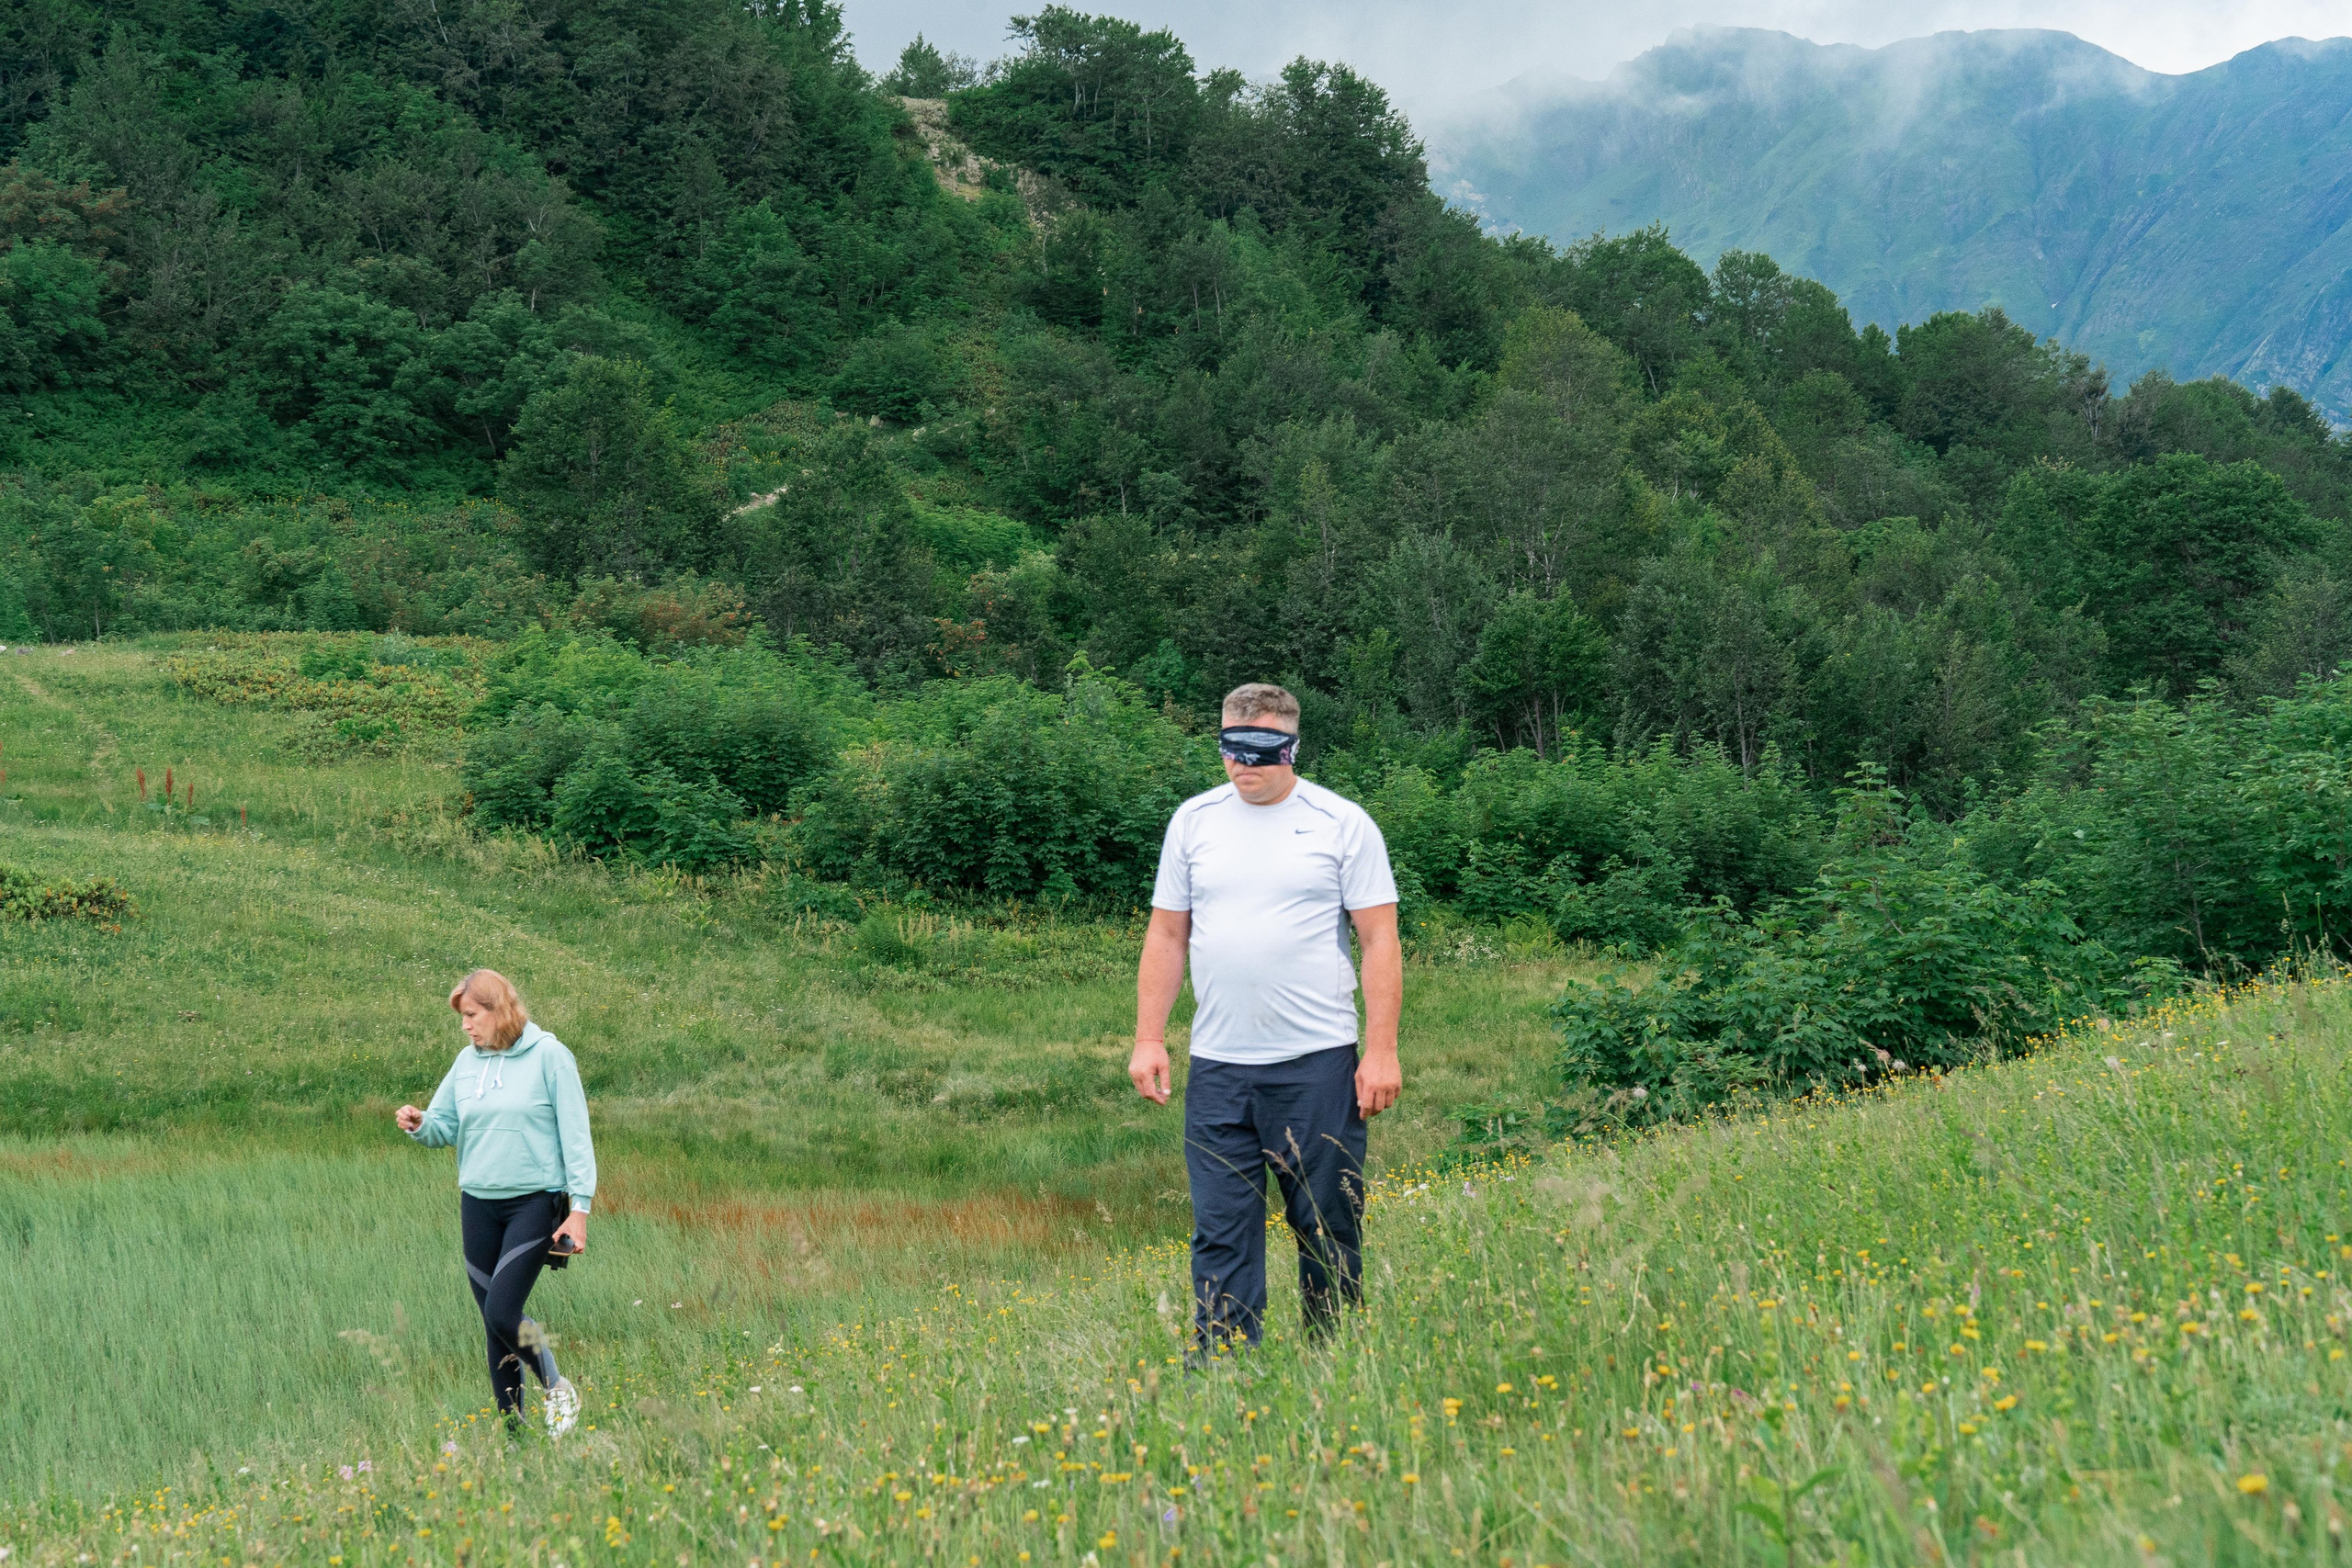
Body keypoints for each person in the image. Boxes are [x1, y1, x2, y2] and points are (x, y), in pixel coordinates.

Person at [1131, 682, 1403, 1354]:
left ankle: (1335, 1359)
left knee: (1327, 1221)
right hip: (1220, 1068)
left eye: (1259, 749)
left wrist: (1381, 1051)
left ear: (1291, 747)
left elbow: (1379, 940)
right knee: (1221, 1229)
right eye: (1232, 748)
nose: (1242, 764)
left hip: (1317, 1065)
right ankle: (1224, 1370)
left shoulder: (1341, 824)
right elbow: (1166, 934)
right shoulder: (1194, 821)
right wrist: (1148, 1038)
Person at [396, 969, 595, 1435]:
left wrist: (580, 1210)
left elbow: (576, 1136)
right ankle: (515, 1438)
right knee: (493, 1324)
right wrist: (421, 1124)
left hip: (534, 1203)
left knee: (503, 1311)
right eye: (462, 1017)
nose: (465, 1025)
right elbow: (445, 1125)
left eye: (472, 1014)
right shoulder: (467, 1063)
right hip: (478, 1204)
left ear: (498, 1010)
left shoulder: (550, 1056)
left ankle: (557, 1388)